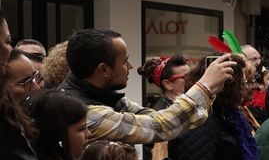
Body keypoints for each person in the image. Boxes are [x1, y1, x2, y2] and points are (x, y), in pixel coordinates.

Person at [63, 28, 236, 145]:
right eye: (124, 61)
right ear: (104, 70)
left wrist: (209, 92)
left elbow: (166, 120)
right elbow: (157, 127)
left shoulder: (104, 96)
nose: (130, 66)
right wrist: (204, 86)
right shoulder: (83, 111)